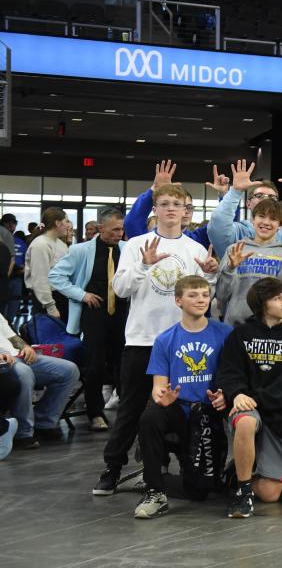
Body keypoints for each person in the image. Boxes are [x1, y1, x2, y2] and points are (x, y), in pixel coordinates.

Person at [92, 184, 218, 496]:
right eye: (165, 203)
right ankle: (113, 468)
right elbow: (120, 289)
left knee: (183, 406)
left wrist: (212, 277)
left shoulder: (196, 251)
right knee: (131, 409)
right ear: (156, 209)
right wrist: (145, 265)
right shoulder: (135, 244)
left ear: (186, 211)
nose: (172, 209)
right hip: (142, 339)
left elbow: (203, 300)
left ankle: (188, 467)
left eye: (178, 204)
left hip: (181, 344)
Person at [132, 275, 233, 519]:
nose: (201, 300)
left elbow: (235, 374)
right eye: (193, 295)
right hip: (180, 409)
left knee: (199, 492)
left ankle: (158, 476)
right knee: (150, 417)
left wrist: (226, 395)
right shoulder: (165, 339)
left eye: (205, 295)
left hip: (211, 413)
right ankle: (154, 490)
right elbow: (159, 385)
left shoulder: (225, 333)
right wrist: (161, 397)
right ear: (178, 301)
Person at [216, 276, 282, 517]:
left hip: (279, 414)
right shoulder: (241, 333)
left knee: (271, 495)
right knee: (246, 420)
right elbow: (228, 372)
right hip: (248, 407)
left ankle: (240, 472)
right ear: (262, 304)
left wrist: (251, 397)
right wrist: (237, 394)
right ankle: (243, 492)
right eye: (277, 298)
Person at [48, 207, 128, 431]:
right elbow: (55, 276)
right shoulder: (80, 250)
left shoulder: (126, 248)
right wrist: (81, 295)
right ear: (101, 228)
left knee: (123, 364)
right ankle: (95, 412)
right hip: (94, 314)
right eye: (114, 229)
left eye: (122, 229)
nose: (119, 233)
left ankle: (127, 409)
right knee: (94, 366)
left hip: (122, 314)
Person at [216, 199, 282, 327]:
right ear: (252, 219)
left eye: (273, 218)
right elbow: (221, 296)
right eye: (261, 216)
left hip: (272, 334)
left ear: (280, 225)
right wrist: (230, 269)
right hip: (235, 328)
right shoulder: (234, 251)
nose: (266, 222)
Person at [205, 159, 282, 255]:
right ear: (248, 204)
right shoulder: (238, 231)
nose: (266, 199)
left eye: (272, 197)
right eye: (259, 195)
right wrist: (235, 192)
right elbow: (218, 227)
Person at [0, 312, 80, 450]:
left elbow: (11, 336)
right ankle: (23, 433)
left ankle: (43, 423)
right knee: (24, 373)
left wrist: (25, 347)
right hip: (4, 362)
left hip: (17, 355)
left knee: (69, 370)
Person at [25, 207, 71, 319]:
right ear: (58, 223)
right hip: (47, 300)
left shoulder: (60, 243)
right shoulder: (40, 245)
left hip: (62, 296)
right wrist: (50, 306)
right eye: (66, 221)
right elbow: (40, 279)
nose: (68, 225)